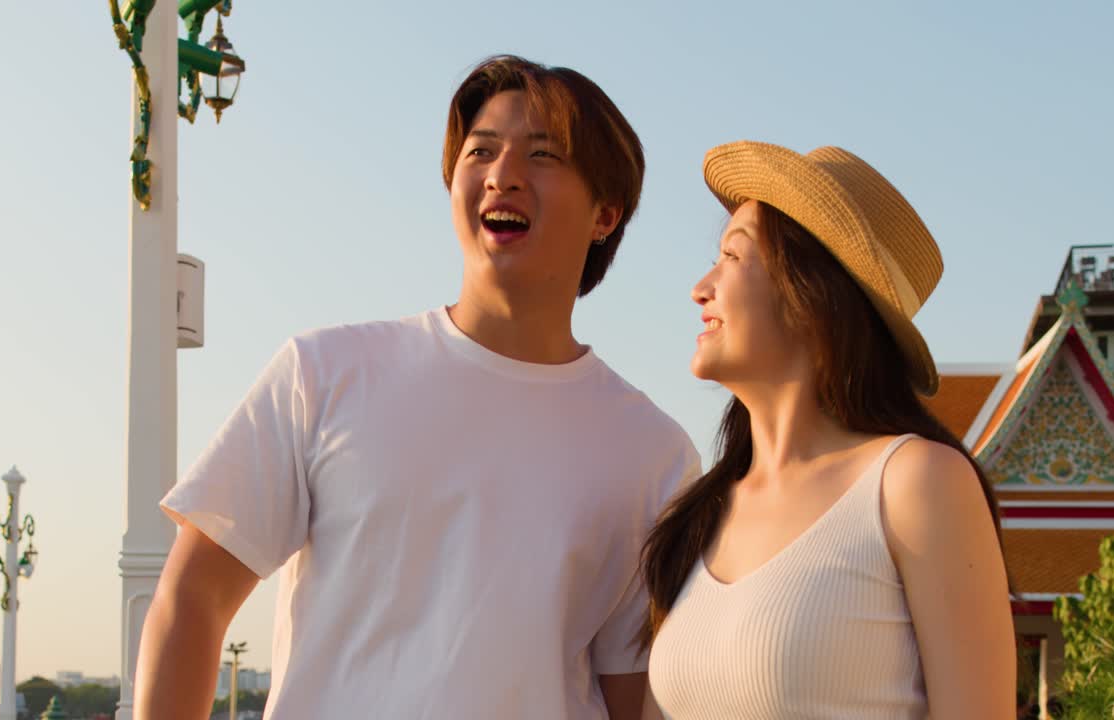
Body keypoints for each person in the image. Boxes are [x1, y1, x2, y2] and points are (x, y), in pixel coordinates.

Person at [133, 55, 700, 720]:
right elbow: (194, 596)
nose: (502, 175)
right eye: (480, 150)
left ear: (606, 212)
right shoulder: (324, 372)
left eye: (542, 155)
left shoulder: (653, 454)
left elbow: (633, 695)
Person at [641, 142, 1014, 719]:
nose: (701, 286)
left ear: (810, 293)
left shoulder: (916, 483)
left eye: (732, 258)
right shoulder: (696, 516)